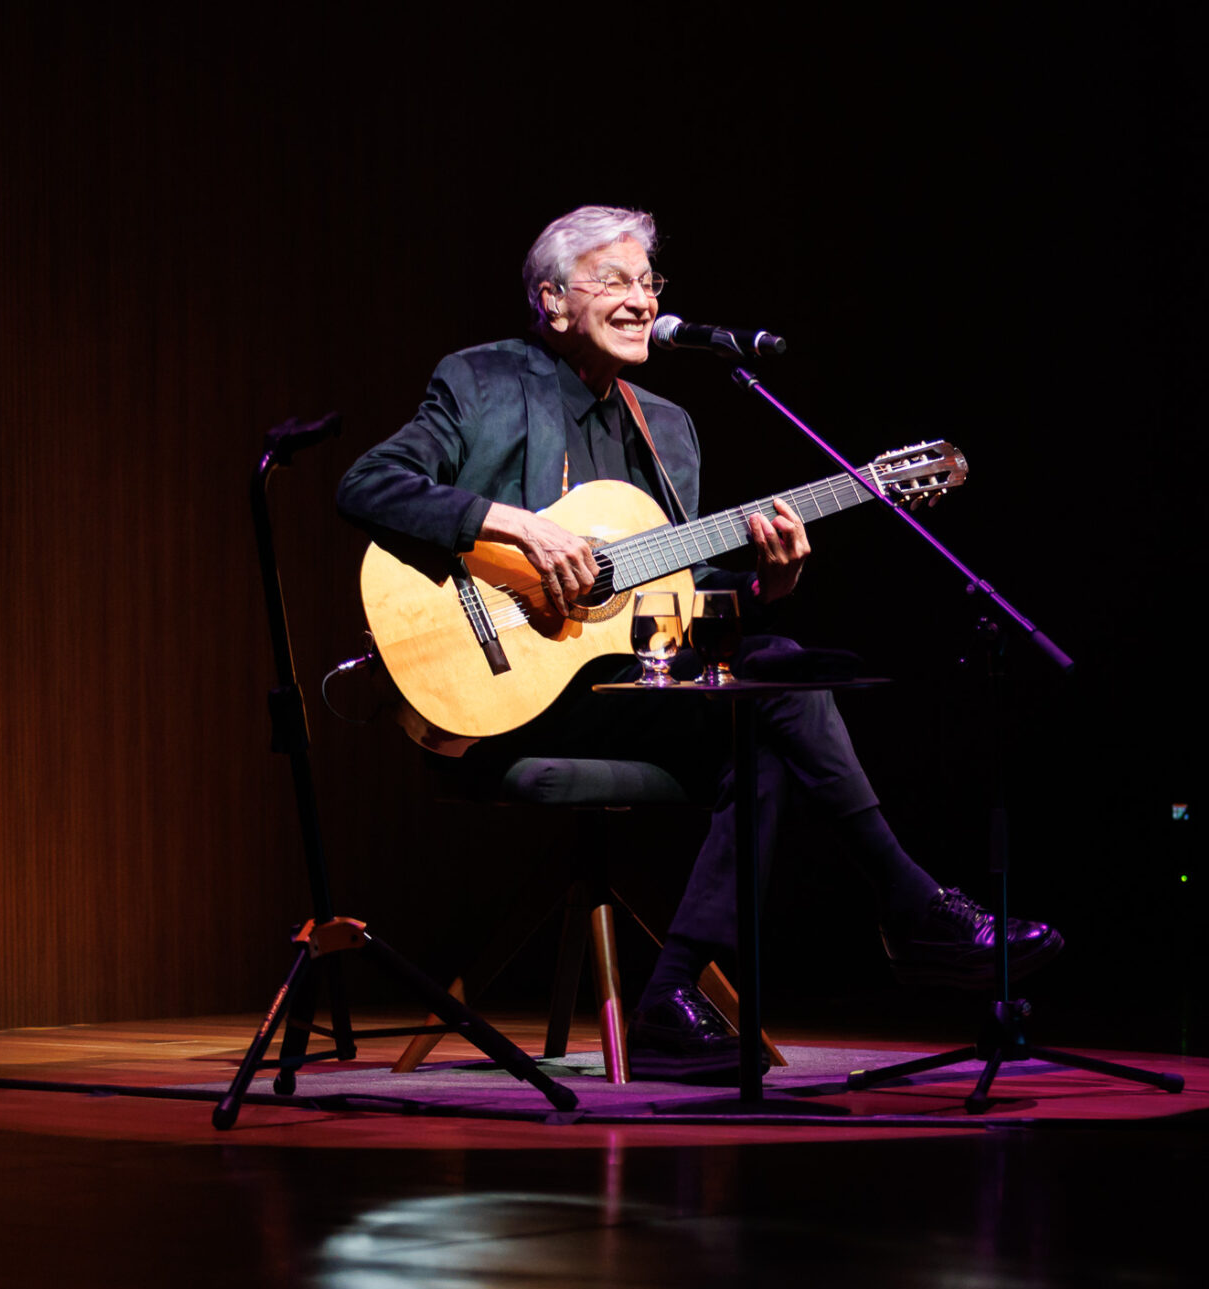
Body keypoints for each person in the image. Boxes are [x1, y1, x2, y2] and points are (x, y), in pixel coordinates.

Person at [338, 204, 1059, 1078]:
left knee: (769, 698)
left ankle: (674, 995)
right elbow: (368, 483)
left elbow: (677, 597)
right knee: (772, 701)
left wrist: (763, 587)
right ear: (554, 300)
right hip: (500, 688)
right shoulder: (482, 382)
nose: (642, 300)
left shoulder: (668, 428)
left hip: (618, 688)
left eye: (649, 282)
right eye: (615, 280)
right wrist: (514, 526)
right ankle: (909, 907)